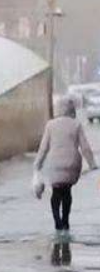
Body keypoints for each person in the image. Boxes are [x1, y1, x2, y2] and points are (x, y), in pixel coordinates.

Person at [34, 94, 97, 240]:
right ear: (71, 109)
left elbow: (43, 148)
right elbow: (85, 147)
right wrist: (92, 164)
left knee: (56, 192)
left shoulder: (50, 125)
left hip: (54, 165)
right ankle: (66, 221)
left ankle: (57, 223)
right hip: (71, 164)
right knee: (67, 192)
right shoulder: (76, 125)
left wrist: (37, 164)